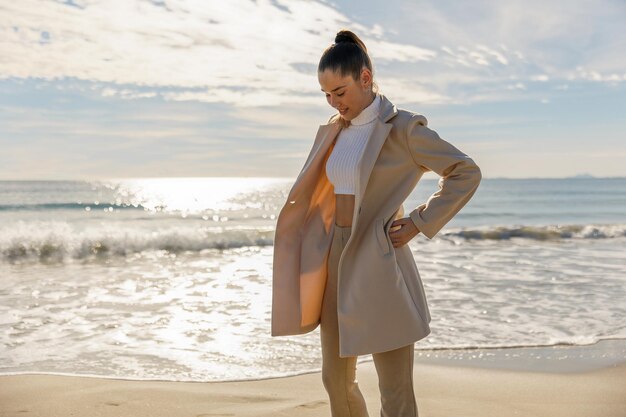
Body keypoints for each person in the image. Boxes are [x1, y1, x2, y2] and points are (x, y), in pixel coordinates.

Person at [271, 29, 482, 417]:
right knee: (335, 380)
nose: (335, 103)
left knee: (395, 390)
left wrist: (419, 221)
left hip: (380, 260)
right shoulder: (337, 130)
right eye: (327, 95)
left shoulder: (403, 128)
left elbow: (464, 171)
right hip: (335, 259)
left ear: (365, 79)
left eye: (341, 92)